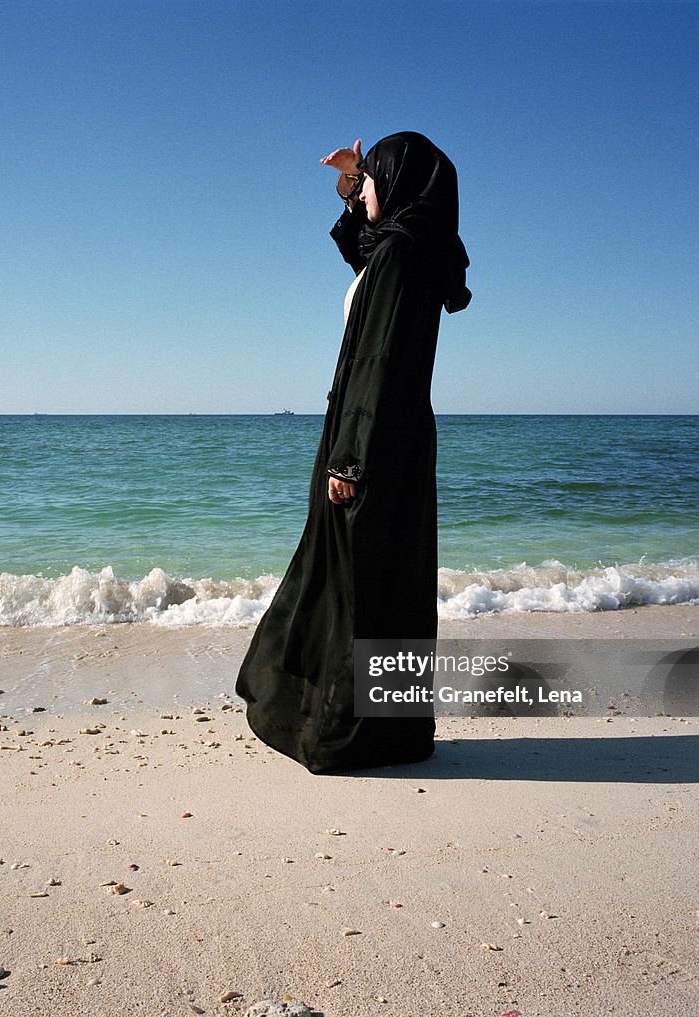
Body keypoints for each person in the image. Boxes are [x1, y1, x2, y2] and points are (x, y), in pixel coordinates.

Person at [234, 131, 471, 774]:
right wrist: (349, 178)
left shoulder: (399, 253)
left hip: (370, 433)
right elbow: (360, 247)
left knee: (351, 580)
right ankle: (390, 732)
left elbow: (378, 361)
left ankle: (348, 731)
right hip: (397, 434)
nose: (362, 190)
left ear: (394, 186)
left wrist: (349, 459)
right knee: (385, 578)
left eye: (370, 181)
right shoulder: (413, 248)